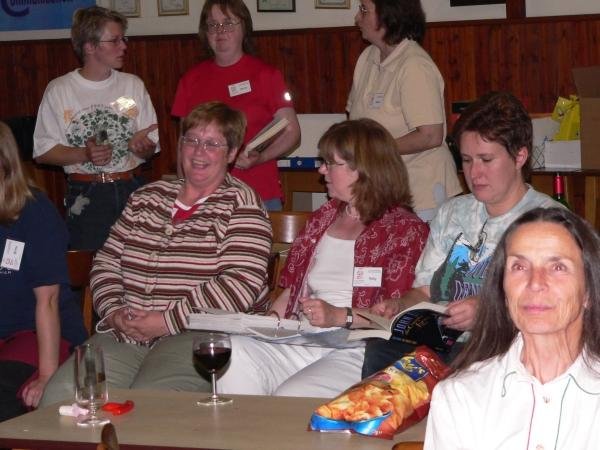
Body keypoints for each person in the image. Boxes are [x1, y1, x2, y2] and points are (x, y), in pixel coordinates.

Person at [40, 102, 272, 406]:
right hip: (126, 332)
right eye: (191, 140)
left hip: (199, 337)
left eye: (212, 144)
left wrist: (167, 320)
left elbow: (239, 284)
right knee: (61, 396)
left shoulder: (242, 205)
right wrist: (115, 311)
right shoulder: (146, 198)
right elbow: (106, 262)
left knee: (150, 405)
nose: (198, 151)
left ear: (231, 153)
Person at [217, 118, 428, 398]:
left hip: (359, 347)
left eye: (330, 163)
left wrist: (336, 316)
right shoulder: (322, 218)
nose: (321, 169)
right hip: (305, 337)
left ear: (362, 169)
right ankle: (242, 427)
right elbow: (292, 291)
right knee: (234, 352)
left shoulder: (404, 230)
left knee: (294, 393)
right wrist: (265, 325)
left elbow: (396, 315)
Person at [361, 91, 561, 377]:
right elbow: (425, 290)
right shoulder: (453, 212)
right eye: (466, 160)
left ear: (520, 156)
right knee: (381, 350)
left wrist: (488, 311)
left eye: (486, 160)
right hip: (442, 343)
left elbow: (560, 303)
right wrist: (399, 305)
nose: (474, 173)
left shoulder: (550, 221)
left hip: (506, 346)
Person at [425, 207, 600, 449]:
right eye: (519, 267)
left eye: (557, 267)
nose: (535, 283)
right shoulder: (460, 396)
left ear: (588, 290)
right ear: (503, 290)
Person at [33, 6, 160, 251]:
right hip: (86, 193)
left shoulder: (132, 86)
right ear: (90, 46)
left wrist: (142, 147)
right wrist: (84, 154)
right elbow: (43, 152)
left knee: (139, 263)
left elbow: (149, 150)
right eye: (114, 40)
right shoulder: (60, 90)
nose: (124, 46)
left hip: (131, 188)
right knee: (90, 266)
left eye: (123, 39)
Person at [171, 0, 300, 210]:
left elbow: (291, 131)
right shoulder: (190, 79)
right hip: (204, 197)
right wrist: (184, 193)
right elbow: (182, 144)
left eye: (228, 23)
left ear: (244, 27)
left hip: (257, 192)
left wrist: (261, 157)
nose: (220, 30)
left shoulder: (267, 75)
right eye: (213, 24)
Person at [0, 122, 86, 421]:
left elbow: (48, 300)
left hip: (38, 335)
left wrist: (47, 375)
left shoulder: (33, 210)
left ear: (4, 162)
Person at [347, 0, 462, 221]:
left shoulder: (414, 65)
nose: (357, 18)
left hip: (421, 195)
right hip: (382, 189)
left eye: (364, 10)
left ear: (388, 15)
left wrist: (373, 149)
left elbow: (430, 136)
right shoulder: (367, 58)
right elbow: (353, 118)